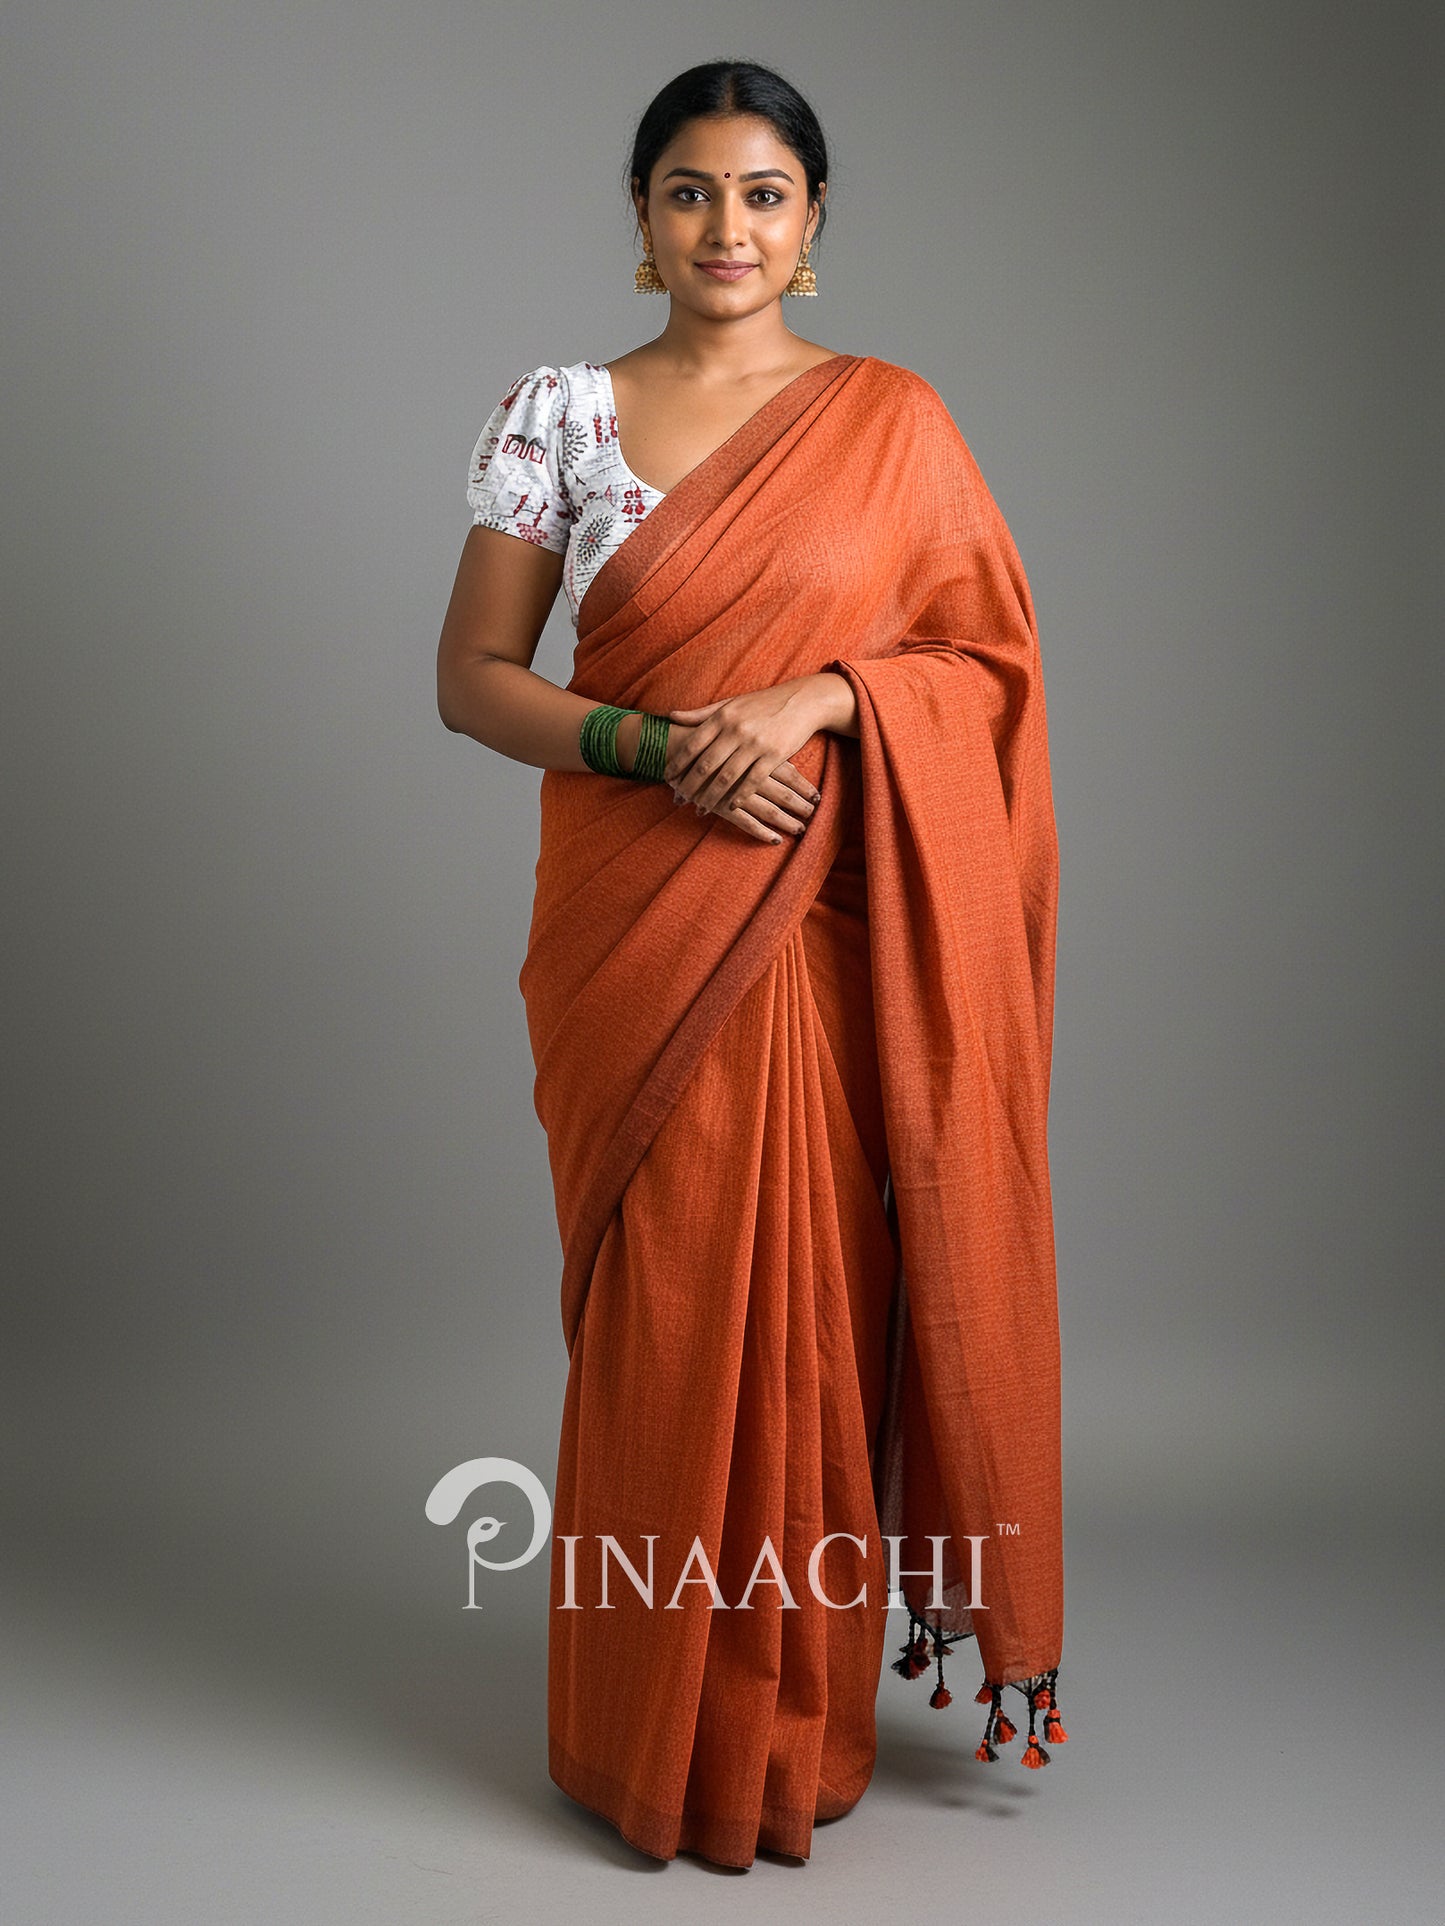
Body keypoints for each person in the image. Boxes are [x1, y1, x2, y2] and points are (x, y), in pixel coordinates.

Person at [436, 59, 1070, 1870]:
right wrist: (652, 747)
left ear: (814, 230)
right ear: (640, 225)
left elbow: (983, 671)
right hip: (636, 921)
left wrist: (815, 696)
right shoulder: (558, 415)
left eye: (766, 193)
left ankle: (782, 1717)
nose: (729, 227)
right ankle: (645, 1724)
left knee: (812, 1303)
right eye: (691, 193)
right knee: (665, 1320)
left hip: (818, 927)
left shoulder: (895, 421)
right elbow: (474, 674)